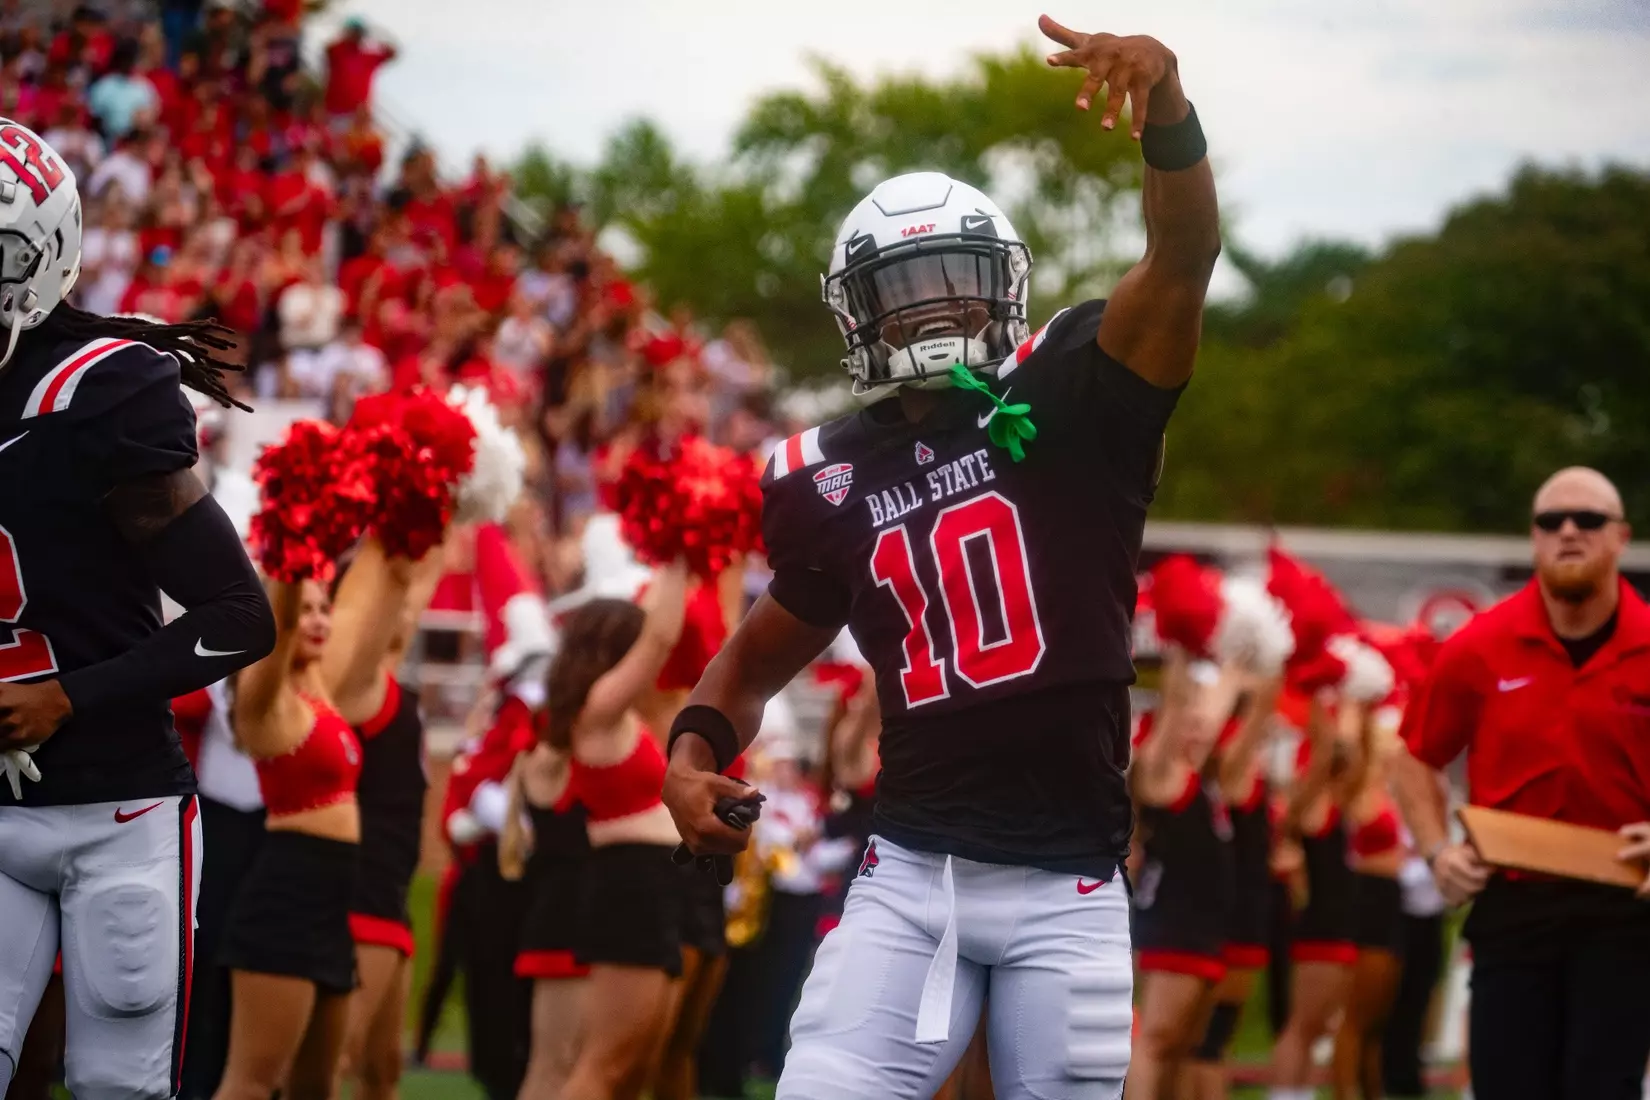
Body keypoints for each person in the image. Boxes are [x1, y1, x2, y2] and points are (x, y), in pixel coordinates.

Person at [663, 18, 1219, 1098]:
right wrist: (688, 758)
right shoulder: (829, 478)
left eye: (955, 278)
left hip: (1070, 881)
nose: (932, 305)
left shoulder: (1075, 397)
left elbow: (1185, 256)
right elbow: (747, 665)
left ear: (1002, 287)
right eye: (903, 286)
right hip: (914, 869)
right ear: (856, 314)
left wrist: (1168, 104)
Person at [0, 118, 276, 1100]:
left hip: (115, 802)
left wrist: (67, 697)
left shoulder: (101, 390)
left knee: (121, 1080)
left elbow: (240, 613)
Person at [1394, 466, 1650, 1100]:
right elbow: (1413, 758)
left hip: (1625, 912)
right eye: (1550, 521)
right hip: (1512, 909)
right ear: (1533, 539)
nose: (1568, 532)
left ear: (1620, 537)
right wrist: (1437, 853)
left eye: (1588, 520)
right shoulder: (1479, 647)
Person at [214, 540, 424, 1100]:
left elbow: (370, 610)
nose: (318, 619)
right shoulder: (264, 698)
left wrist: (395, 547)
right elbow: (278, 629)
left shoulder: (322, 689)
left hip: (337, 903)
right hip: (285, 900)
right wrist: (291, 547)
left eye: (323, 607)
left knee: (317, 1088)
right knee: (252, 1084)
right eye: (305, 608)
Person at [552, 561, 690, 1100]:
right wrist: (682, 548)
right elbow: (660, 637)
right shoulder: (598, 711)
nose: (646, 666)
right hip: (627, 885)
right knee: (604, 1067)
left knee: (634, 1069)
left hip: (652, 884)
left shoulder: (623, 716)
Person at [1127, 656, 1235, 1100]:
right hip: (1171, 924)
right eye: (1187, 724)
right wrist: (1179, 649)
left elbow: (1220, 702)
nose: (1199, 730)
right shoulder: (1162, 774)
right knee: (1155, 1039)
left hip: (1205, 928)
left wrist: (1240, 656)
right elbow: (1174, 707)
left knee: (1180, 1046)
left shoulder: (1204, 779)